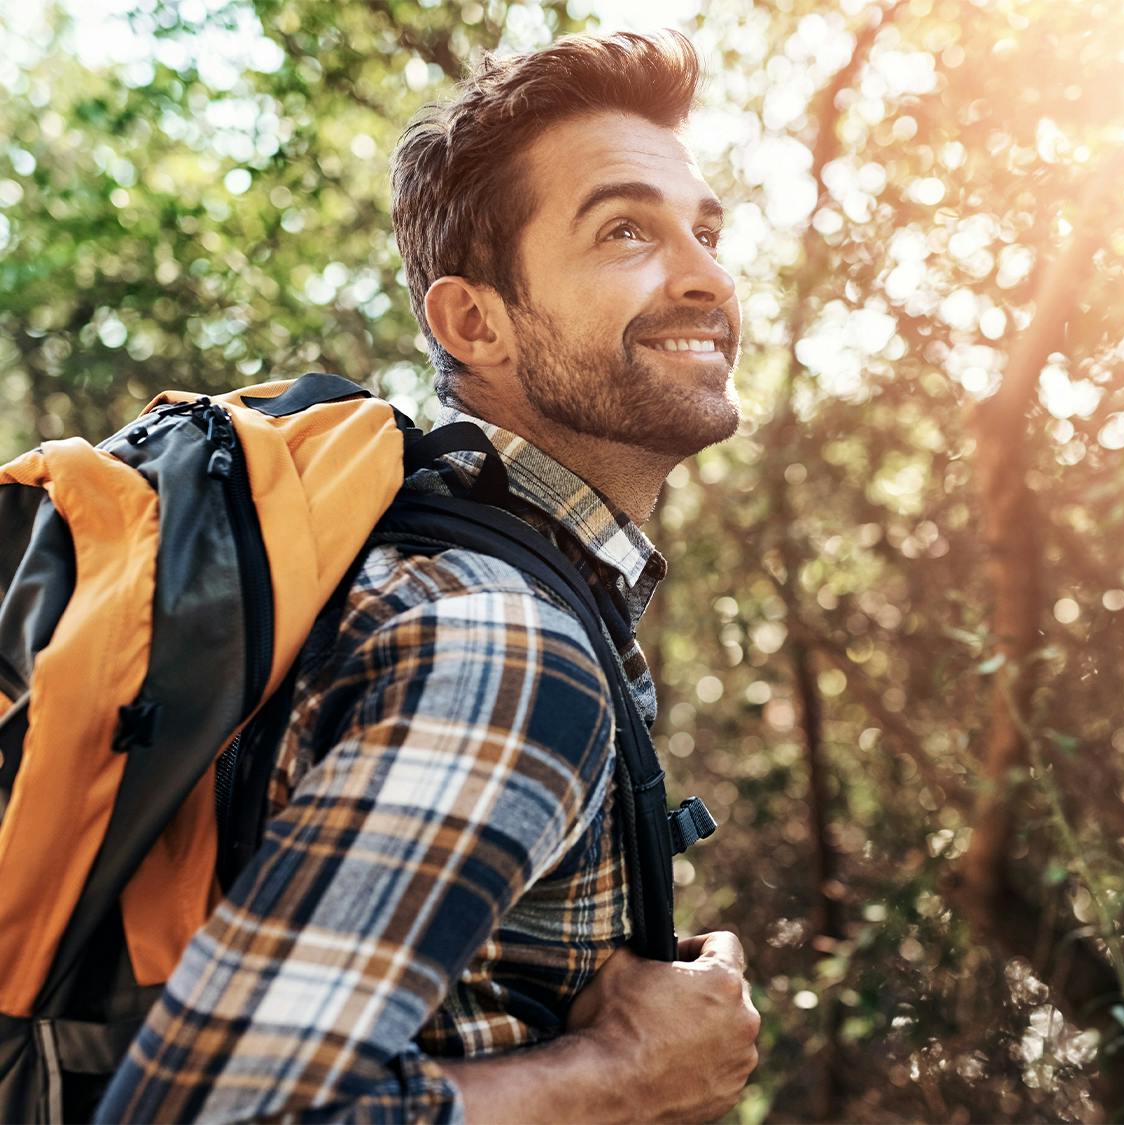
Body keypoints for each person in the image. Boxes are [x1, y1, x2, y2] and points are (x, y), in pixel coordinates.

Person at [97, 29, 759, 1123]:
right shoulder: (499, 636)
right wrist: (622, 1079)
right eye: (626, 231)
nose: (705, 275)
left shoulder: (462, 579)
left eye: (705, 230)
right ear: (473, 320)